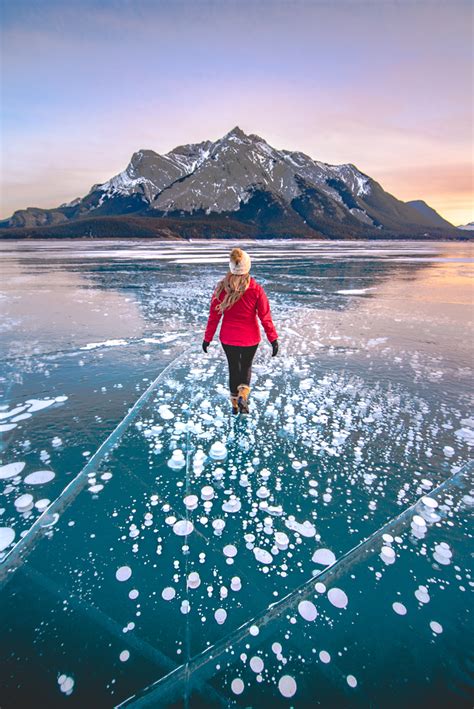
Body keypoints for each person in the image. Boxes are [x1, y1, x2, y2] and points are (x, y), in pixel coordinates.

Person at [202, 247, 279, 415]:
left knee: (233, 368)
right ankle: (244, 395)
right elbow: (265, 317)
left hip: (228, 338)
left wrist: (207, 339)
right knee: (246, 367)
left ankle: (235, 405)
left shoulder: (221, 289)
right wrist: (273, 339)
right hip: (251, 338)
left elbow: (213, 317)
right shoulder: (256, 289)